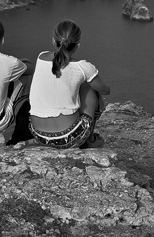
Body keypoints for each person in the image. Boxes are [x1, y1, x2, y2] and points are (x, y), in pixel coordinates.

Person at [28, 19, 110, 149]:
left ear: (53, 41)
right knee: (89, 86)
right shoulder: (83, 67)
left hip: (38, 134)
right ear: (77, 45)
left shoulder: (41, 56)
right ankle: (90, 139)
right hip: (69, 137)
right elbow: (105, 90)